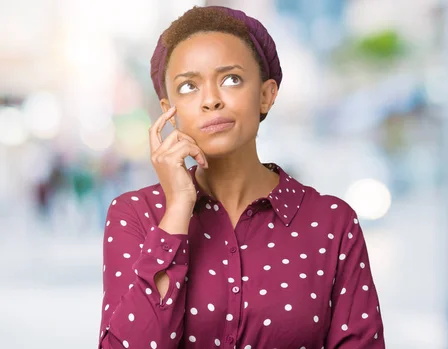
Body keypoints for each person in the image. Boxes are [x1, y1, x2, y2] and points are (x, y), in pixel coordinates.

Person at [98, 6, 385, 348]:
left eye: (231, 79)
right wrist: (176, 210)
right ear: (168, 111)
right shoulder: (135, 215)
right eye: (189, 86)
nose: (211, 101)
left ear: (266, 94)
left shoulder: (333, 223)